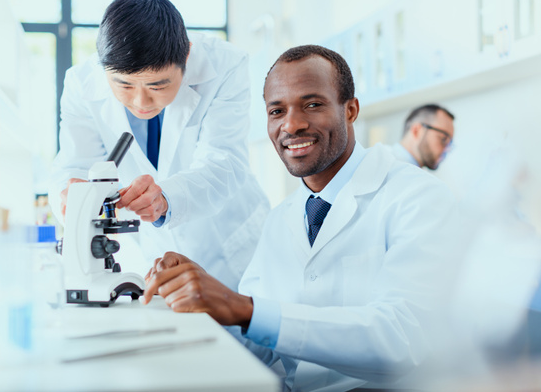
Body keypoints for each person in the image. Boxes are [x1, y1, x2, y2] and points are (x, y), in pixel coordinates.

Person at [142, 45, 459, 391]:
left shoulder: (418, 197)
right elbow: (257, 345)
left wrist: (241, 307)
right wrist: (194, 301)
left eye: (313, 104)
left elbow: (402, 339)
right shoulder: (281, 220)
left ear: (350, 110)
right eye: (277, 111)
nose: (291, 124)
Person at [48, 0, 269, 290]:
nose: (141, 101)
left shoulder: (224, 65)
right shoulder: (81, 83)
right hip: (149, 258)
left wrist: (167, 198)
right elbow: (73, 165)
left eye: (158, 85)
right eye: (124, 85)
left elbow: (225, 163)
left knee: (243, 329)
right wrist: (69, 195)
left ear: (186, 56)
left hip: (228, 248)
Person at [391, 104, 455, 170]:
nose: (448, 149)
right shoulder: (383, 163)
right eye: (444, 139)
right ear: (416, 131)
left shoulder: (415, 173)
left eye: (450, 143)